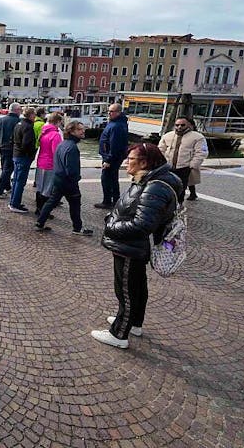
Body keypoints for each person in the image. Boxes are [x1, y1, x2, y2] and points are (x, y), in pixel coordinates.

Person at [93, 143, 181, 349]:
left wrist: (111, 226)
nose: (126, 163)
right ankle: (133, 323)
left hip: (130, 246)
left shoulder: (155, 186)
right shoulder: (152, 180)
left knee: (126, 290)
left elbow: (142, 224)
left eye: (130, 159)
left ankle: (119, 333)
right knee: (137, 287)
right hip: (134, 246)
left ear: (144, 162)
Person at [36, 121, 93, 236]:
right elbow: (71, 170)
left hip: (58, 178)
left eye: (83, 129)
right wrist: (76, 178)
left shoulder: (62, 144)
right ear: (72, 131)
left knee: (52, 201)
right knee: (75, 204)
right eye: (79, 129)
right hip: (68, 181)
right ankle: (77, 228)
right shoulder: (72, 148)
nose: (83, 131)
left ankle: (40, 222)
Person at [157, 117, 208, 202]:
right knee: (168, 185)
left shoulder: (198, 137)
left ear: (188, 125)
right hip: (169, 166)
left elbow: (201, 152)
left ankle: (179, 204)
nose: (179, 127)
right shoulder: (168, 135)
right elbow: (161, 149)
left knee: (182, 187)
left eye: (182, 125)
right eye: (177, 125)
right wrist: (161, 162)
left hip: (185, 167)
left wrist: (193, 165)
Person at [96, 103, 129, 209]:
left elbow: (115, 145)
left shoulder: (116, 126)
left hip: (111, 157)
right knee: (113, 178)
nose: (109, 113)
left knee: (106, 179)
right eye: (109, 111)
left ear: (119, 112)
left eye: (112, 111)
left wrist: (108, 160)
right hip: (113, 156)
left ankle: (107, 201)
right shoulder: (118, 123)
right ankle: (115, 200)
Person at [33, 112, 63, 216]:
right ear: (58, 122)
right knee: (47, 188)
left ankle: (38, 209)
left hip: (41, 161)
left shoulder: (43, 132)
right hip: (50, 164)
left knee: (40, 187)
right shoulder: (55, 135)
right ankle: (43, 212)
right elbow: (56, 152)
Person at [8, 107, 37, 213]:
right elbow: (27, 144)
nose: (35, 117)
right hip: (23, 157)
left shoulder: (18, 124)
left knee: (16, 180)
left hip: (16, 155)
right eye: (34, 115)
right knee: (20, 182)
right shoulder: (28, 127)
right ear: (31, 115)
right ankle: (15, 204)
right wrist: (31, 154)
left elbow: (13, 139)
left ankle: (13, 202)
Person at [0, 103, 22, 198]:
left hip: (2, 147)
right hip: (12, 148)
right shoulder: (18, 121)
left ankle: (7, 187)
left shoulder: (2, 120)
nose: (21, 112)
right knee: (8, 170)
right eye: (20, 110)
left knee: (4, 168)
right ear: (16, 110)